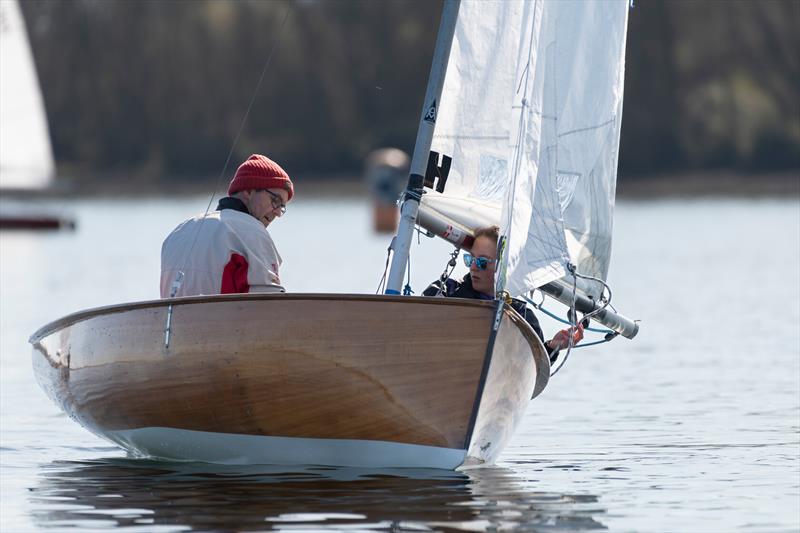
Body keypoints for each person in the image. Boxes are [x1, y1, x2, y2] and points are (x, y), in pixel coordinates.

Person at [423, 225, 583, 361]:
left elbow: (530, 369)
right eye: (471, 259)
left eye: (482, 262)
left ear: (504, 267)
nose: (473, 267)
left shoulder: (523, 316)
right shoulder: (445, 290)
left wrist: (552, 347)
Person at [160, 154, 293, 298]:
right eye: (275, 200)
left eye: (282, 207)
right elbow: (270, 303)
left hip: (172, 320)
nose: (278, 212)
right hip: (223, 320)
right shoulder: (252, 231)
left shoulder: (179, 231)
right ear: (248, 191)